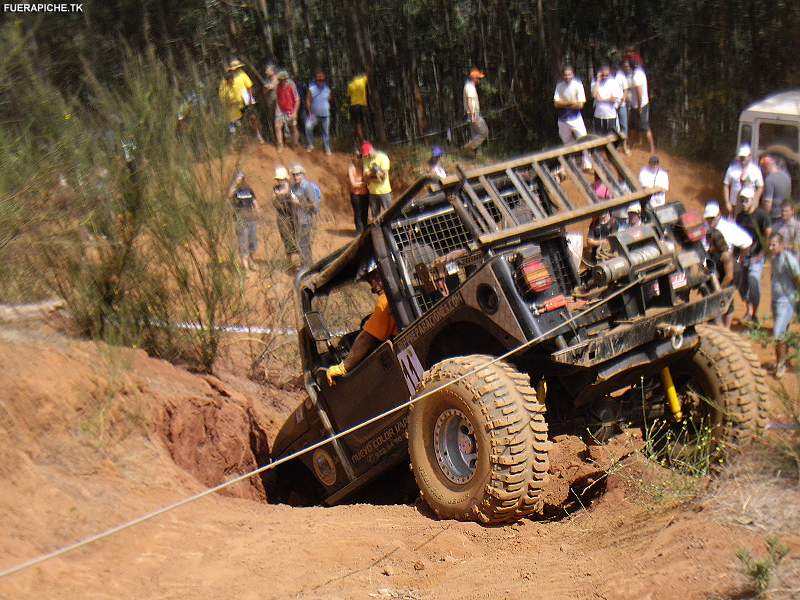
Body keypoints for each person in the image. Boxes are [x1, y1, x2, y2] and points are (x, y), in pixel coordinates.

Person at [325, 259, 397, 385]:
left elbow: (366, 339)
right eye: (370, 282)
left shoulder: (386, 301)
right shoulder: (406, 288)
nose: (373, 288)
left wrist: (343, 367)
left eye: (373, 279)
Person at [735, 186, 772, 323]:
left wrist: (761, 254)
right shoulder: (740, 217)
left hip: (757, 255)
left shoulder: (762, 215)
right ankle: (749, 310)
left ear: (752, 201)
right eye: (742, 200)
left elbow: (767, 236)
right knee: (741, 283)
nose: (743, 203)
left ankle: (754, 312)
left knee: (753, 279)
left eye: (746, 200)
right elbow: (737, 237)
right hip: (743, 255)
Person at [769, 232, 800, 377]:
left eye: (773, 244)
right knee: (783, 332)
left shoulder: (789, 259)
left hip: (786, 302)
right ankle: (783, 360)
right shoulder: (774, 258)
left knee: (778, 334)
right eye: (770, 244)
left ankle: (780, 365)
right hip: (776, 301)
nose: (771, 247)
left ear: (781, 244)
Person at [553, 65, 591, 170]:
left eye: (569, 74)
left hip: (576, 118)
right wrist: (570, 102)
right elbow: (556, 103)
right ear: (563, 75)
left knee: (584, 140)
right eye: (565, 75)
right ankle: (572, 165)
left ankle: (587, 164)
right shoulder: (559, 85)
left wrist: (563, 103)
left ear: (573, 74)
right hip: (562, 119)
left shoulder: (577, 85)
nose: (567, 77)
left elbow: (580, 104)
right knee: (567, 143)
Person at [289, 164, 321, 268]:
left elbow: (314, 204)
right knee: (301, 243)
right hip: (297, 218)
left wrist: (299, 204)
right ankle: (307, 264)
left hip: (306, 219)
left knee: (304, 243)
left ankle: (306, 266)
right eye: (294, 175)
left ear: (303, 174)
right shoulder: (293, 187)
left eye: (298, 174)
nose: (295, 177)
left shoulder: (307, 187)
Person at [228, 59, 265, 144]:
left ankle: (258, 136)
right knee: (235, 122)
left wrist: (250, 98)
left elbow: (249, 86)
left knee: (252, 118)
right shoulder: (229, 78)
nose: (235, 69)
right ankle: (236, 142)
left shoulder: (242, 75)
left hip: (245, 101)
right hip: (235, 104)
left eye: (237, 68)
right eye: (234, 68)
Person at [229, 170, 260, 270]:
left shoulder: (248, 189)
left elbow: (254, 202)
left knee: (252, 241)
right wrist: (234, 184)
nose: (240, 180)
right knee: (243, 241)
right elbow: (229, 196)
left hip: (251, 218)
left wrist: (258, 210)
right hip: (240, 220)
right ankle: (245, 267)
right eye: (238, 178)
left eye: (241, 178)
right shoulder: (234, 191)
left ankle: (251, 261)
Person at [706, 227, 736, 328]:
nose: (709, 245)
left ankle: (726, 328)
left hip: (726, 283)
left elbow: (729, 275)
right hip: (716, 283)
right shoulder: (710, 253)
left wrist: (720, 290)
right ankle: (720, 327)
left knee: (728, 304)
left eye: (711, 243)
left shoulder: (725, 255)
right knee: (714, 307)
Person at [723, 144, 764, 216]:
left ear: (749, 156)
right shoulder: (732, 169)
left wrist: (755, 201)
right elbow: (726, 185)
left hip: (749, 205)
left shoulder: (755, 170)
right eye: (741, 157)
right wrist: (727, 202)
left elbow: (760, 187)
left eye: (744, 157)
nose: (742, 160)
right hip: (734, 204)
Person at [626, 59, 655, 155]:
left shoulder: (636, 76)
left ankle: (652, 148)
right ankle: (630, 146)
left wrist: (639, 107)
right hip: (639, 103)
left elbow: (639, 93)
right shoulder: (640, 72)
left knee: (644, 126)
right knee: (634, 126)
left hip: (640, 104)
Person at [272, 166, 297, 261]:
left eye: (281, 179)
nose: (280, 181)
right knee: (286, 238)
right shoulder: (275, 188)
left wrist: (281, 194)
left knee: (297, 236)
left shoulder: (291, 187)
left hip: (293, 215)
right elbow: (274, 201)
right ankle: (289, 260)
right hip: (282, 216)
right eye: (278, 179)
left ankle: (300, 261)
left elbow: (295, 200)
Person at [361, 141, 392, 219]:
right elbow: (365, 175)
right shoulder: (366, 159)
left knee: (389, 213)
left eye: (368, 153)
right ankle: (378, 230)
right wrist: (376, 173)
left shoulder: (383, 157)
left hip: (384, 191)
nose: (367, 156)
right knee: (375, 216)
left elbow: (383, 176)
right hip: (372, 192)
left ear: (371, 150)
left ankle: (390, 230)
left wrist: (371, 175)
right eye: (366, 154)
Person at [305, 69, 332, 155]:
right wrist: (310, 112)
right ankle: (310, 144)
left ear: (324, 80)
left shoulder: (327, 89)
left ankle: (327, 149)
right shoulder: (311, 89)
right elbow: (308, 100)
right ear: (316, 80)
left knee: (326, 132)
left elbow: (329, 99)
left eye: (322, 80)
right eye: (318, 80)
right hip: (314, 115)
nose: (320, 81)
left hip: (325, 115)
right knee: (308, 126)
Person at [463, 67, 489, 156]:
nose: (479, 80)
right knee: (484, 132)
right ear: (474, 78)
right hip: (474, 114)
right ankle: (468, 147)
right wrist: (473, 115)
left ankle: (475, 155)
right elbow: (470, 101)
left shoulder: (470, 86)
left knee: (476, 134)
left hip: (473, 114)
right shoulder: (469, 87)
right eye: (478, 78)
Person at [591, 64, 622, 135]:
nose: (604, 77)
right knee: (599, 137)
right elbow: (594, 95)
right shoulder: (595, 83)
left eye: (606, 75)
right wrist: (598, 80)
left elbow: (614, 98)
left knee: (611, 136)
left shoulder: (613, 82)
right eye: (603, 75)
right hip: (598, 115)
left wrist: (602, 99)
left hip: (610, 115)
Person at [274, 71, 301, 150]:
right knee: (277, 126)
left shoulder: (291, 85)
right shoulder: (277, 86)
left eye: (283, 79)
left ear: (286, 79)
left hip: (291, 109)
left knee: (293, 127)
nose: (282, 81)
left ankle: (295, 144)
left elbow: (297, 99)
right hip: (281, 109)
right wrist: (278, 109)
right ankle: (280, 144)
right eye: (280, 80)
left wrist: (295, 112)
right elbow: (278, 98)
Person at [760, 154, 792, 220]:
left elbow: (768, 202)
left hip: (774, 216)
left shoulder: (769, 179)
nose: (762, 171)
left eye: (762, 168)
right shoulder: (786, 176)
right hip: (786, 214)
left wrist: (764, 218)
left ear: (766, 166)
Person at [348, 150, 369, 233]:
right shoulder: (351, 168)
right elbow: (353, 184)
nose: (359, 158)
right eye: (357, 156)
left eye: (360, 156)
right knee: (358, 213)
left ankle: (365, 230)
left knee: (365, 212)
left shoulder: (364, 167)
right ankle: (359, 232)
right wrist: (364, 183)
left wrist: (360, 183)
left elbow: (368, 179)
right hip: (355, 195)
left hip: (365, 194)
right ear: (353, 157)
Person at [612, 63, 630, 154]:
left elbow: (626, 89)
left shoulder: (621, 76)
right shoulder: (608, 77)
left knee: (624, 126)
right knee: (614, 126)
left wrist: (623, 98)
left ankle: (625, 145)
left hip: (621, 104)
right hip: (611, 106)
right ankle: (616, 146)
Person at [347, 72, 368, 142]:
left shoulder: (350, 85)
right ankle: (363, 140)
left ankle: (359, 141)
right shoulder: (362, 81)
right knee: (361, 124)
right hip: (362, 105)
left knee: (357, 124)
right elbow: (367, 74)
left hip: (354, 106)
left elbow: (348, 97)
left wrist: (346, 107)